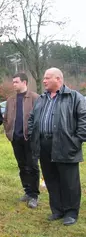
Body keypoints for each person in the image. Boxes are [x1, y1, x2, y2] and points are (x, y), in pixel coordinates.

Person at [28, 67, 86, 226]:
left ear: (58, 79)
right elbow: (32, 119)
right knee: (51, 179)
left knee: (69, 181)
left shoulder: (75, 97)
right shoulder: (41, 98)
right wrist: (33, 136)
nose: (44, 81)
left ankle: (71, 212)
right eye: (44, 78)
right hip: (44, 145)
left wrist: (77, 141)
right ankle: (57, 210)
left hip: (66, 145)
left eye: (47, 78)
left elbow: (84, 120)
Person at [3, 73, 40, 208]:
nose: (14, 84)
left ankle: (34, 196)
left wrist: (34, 136)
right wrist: (8, 132)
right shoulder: (10, 100)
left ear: (24, 82)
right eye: (13, 82)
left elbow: (39, 119)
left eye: (16, 82)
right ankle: (27, 191)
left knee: (33, 166)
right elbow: (6, 118)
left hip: (30, 140)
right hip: (16, 139)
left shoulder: (35, 98)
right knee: (22, 166)